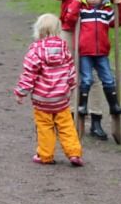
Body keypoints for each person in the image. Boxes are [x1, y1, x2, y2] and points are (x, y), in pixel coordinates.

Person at [61, 0, 121, 140]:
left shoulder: (106, 11)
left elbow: (119, 21)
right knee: (86, 80)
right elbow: (69, 19)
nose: (92, 0)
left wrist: (120, 5)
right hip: (85, 52)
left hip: (102, 53)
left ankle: (114, 106)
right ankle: (82, 106)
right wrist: (76, 3)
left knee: (108, 79)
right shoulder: (83, 10)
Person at [14, 13, 83, 166]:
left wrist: (21, 92)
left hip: (42, 99)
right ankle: (74, 153)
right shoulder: (64, 49)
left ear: (38, 31)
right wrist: (71, 86)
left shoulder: (35, 51)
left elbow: (28, 74)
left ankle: (45, 155)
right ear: (58, 31)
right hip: (61, 98)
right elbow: (71, 70)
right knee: (66, 126)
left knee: (44, 126)